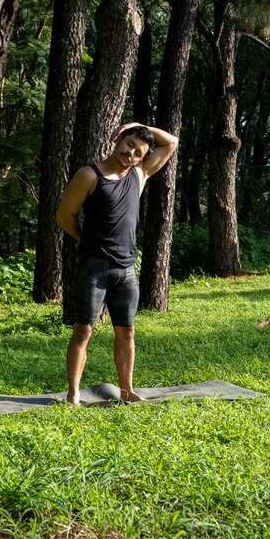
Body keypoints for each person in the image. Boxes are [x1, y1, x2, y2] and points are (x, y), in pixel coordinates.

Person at [56, 121, 178, 405]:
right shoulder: (89, 174)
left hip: (126, 269)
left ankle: (126, 389)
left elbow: (171, 142)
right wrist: (87, 241)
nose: (132, 153)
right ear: (118, 139)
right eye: (129, 144)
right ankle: (73, 393)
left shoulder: (140, 174)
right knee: (83, 331)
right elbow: (64, 216)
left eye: (139, 151)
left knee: (127, 330)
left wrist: (139, 124)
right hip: (94, 267)